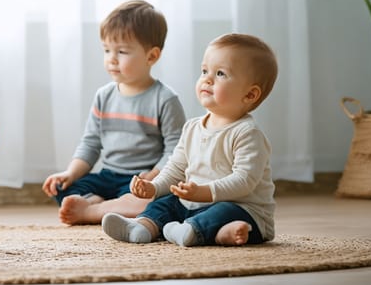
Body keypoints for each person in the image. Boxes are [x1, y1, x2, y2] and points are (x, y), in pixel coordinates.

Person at [102, 33, 278, 247]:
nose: (207, 79)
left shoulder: (247, 133)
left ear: (250, 95)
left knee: (226, 212)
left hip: (242, 208)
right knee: (165, 203)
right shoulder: (192, 127)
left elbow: (244, 181)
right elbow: (176, 168)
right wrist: (154, 187)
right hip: (194, 202)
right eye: (205, 71)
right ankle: (143, 227)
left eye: (220, 73)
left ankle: (198, 230)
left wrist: (204, 192)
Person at [41, 0, 186, 225]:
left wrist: (154, 176)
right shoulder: (104, 95)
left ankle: (94, 209)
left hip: (140, 178)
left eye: (122, 51)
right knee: (62, 186)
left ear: (151, 56)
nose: (112, 59)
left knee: (157, 200)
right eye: (107, 50)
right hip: (107, 175)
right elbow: (90, 143)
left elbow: (175, 150)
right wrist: (70, 173)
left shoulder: (165, 99)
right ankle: (100, 204)